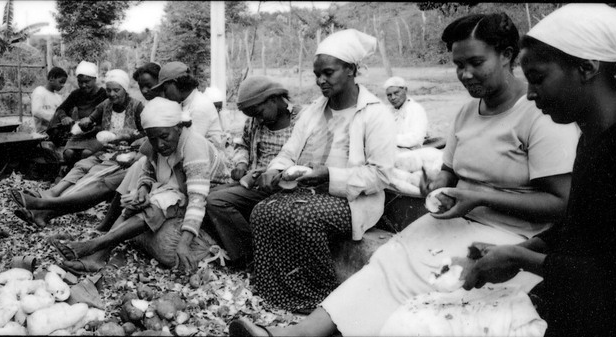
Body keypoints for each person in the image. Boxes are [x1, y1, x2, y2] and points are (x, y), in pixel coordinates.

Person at [229, 13, 580, 336]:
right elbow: (449, 174)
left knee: (433, 280)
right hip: (458, 218)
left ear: (507, 55)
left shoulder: (539, 115)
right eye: (458, 65)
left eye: (476, 63)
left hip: (511, 232)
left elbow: (562, 203)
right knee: (389, 261)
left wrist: (479, 197)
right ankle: (299, 333)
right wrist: (437, 185)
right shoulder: (467, 113)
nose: (465, 74)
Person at [462, 4, 616, 336]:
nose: (529, 94)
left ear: (586, 68)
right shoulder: (593, 138)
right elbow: (584, 225)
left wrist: (518, 258)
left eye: (539, 78)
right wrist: (530, 248)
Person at [241, 29, 399, 314]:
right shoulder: (313, 111)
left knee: (299, 215)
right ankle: (274, 292)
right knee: (263, 211)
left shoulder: (375, 114)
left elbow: (379, 175)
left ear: (351, 70)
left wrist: (329, 175)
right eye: (317, 74)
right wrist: (275, 171)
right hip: (308, 190)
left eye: (328, 72)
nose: (321, 81)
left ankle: (319, 298)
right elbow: (289, 152)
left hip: (352, 200)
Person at [50, 97, 232, 273]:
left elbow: (197, 199)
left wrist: (184, 243)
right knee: (134, 203)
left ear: (178, 127)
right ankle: (97, 256)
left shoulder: (194, 146)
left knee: (157, 205)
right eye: (153, 139)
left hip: (209, 195)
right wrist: (144, 189)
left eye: (164, 137)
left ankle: (98, 245)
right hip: (177, 186)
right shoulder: (157, 139)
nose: (160, 144)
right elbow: (148, 169)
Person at [12, 69, 145, 228]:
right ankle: (51, 194)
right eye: (108, 90)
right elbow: (91, 118)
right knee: (81, 166)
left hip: (124, 156)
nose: (111, 94)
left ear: (125, 89)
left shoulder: (137, 107)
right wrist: (86, 122)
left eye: (116, 90)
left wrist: (127, 135)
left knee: (89, 179)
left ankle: (45, 207)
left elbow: (146, 134)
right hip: (105, 151)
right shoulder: (105, 105)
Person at [203, 76, 300, 264]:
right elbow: (243, 145)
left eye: (259, 112)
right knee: (203, 195)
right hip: (254, 182)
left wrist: (267, 172)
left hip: (283, 186)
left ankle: (251, 256)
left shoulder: (301, 120)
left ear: (273, 99)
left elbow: (305, 159)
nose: (258, 119)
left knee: (215, 201)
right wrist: (241, 164)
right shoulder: (255, 121)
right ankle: (232, 246)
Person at [149, 61, 224, 149]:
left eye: (165, 89)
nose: (165, 95)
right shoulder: (185, 102)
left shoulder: (199, 105)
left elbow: (191, 145)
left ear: (175, 83)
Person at [48, 61, 109, 166]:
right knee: (68, 153)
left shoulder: (104, 95)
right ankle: (70, 173)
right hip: (81, 134)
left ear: (95, 79)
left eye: (87, 81)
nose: (83, 85)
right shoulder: (76, 94)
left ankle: (82, 177)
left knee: (86, 154)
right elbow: (61, 109)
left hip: (98, 134)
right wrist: (64, 117)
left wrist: (95, 126)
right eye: (80, 82)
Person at [383, 76, 428, 149]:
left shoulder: (415, 109)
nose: (393, 97)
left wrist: (388, 139)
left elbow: (416, 138)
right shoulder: (387, 111)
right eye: (389, 95)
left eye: (396, 93)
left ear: (405, 90)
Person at [31, 67, 68, 134]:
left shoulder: (58, 97)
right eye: (60, 82)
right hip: (43, 133)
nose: (62, 85)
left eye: (64, 83)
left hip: (57, 132)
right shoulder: (39, 91)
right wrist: (56, 119)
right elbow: (36, 111)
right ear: (51, 79)